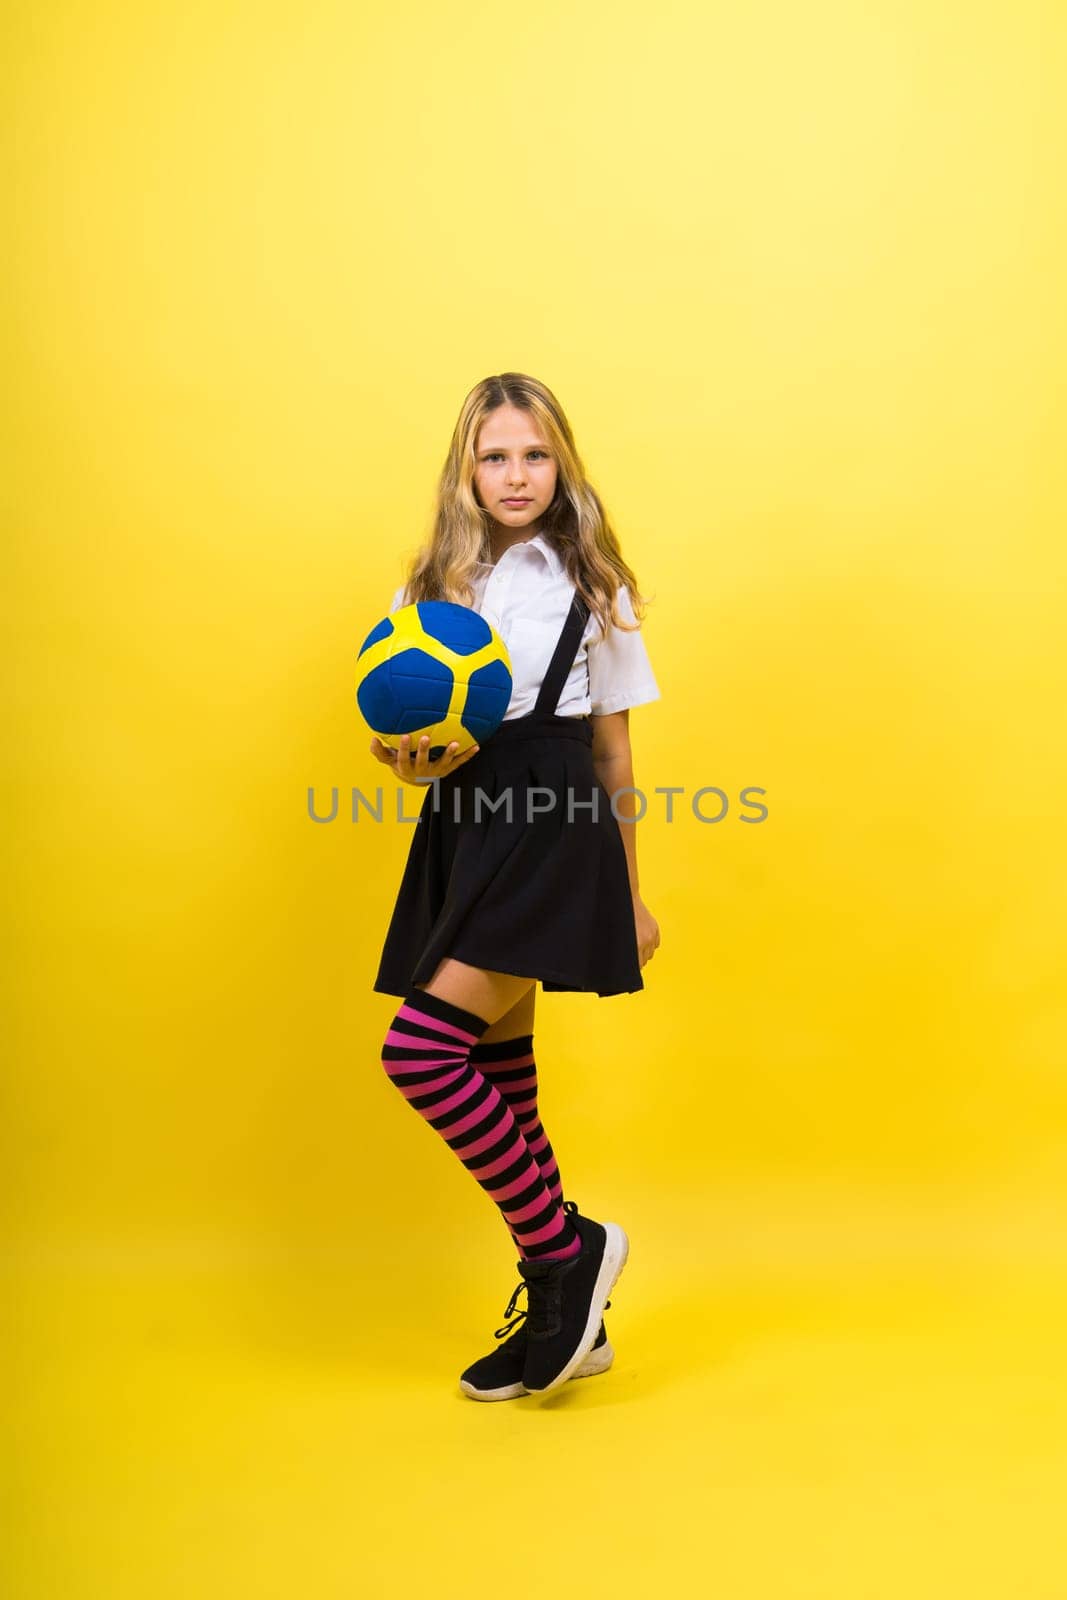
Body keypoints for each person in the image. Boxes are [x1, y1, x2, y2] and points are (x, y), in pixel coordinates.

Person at [369, 371, 662, 1401]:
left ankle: (566, 1246)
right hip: (465, 822)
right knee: (498, 1070)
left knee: (420, 1049)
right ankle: (558, 1296)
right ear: (466, 468)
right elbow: (412, 738)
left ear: (561, 463)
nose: (515, 474)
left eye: (534, 454)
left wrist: (628, 894)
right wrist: (402, 758)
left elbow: (615, 758)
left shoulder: (595, 584)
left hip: (555, 822)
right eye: (494, 455)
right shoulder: (428, 586)